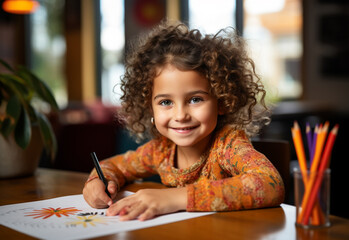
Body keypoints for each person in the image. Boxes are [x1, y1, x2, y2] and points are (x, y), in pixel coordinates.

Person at [83, 21, 285, 221]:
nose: (180, 115)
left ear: (222, 101)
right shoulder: (160, 151)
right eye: (165, 102)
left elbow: (270, 184)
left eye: (195, 99)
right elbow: (114, 166)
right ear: (149, 106)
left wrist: (176, 198)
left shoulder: (228, 145)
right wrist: (98, 182)